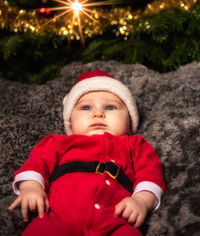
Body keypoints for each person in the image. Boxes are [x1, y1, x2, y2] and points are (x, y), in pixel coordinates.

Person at [9, 70, 166, 236]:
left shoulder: (135, 144)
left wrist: (141, 201)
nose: (98, 113)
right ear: (70, 122)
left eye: (110, 107)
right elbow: (36, 164)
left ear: (129, 122)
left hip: (115, 221)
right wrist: (32, 188)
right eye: (86, 107)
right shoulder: (58, 142)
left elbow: (151, 176)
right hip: (57, 216)